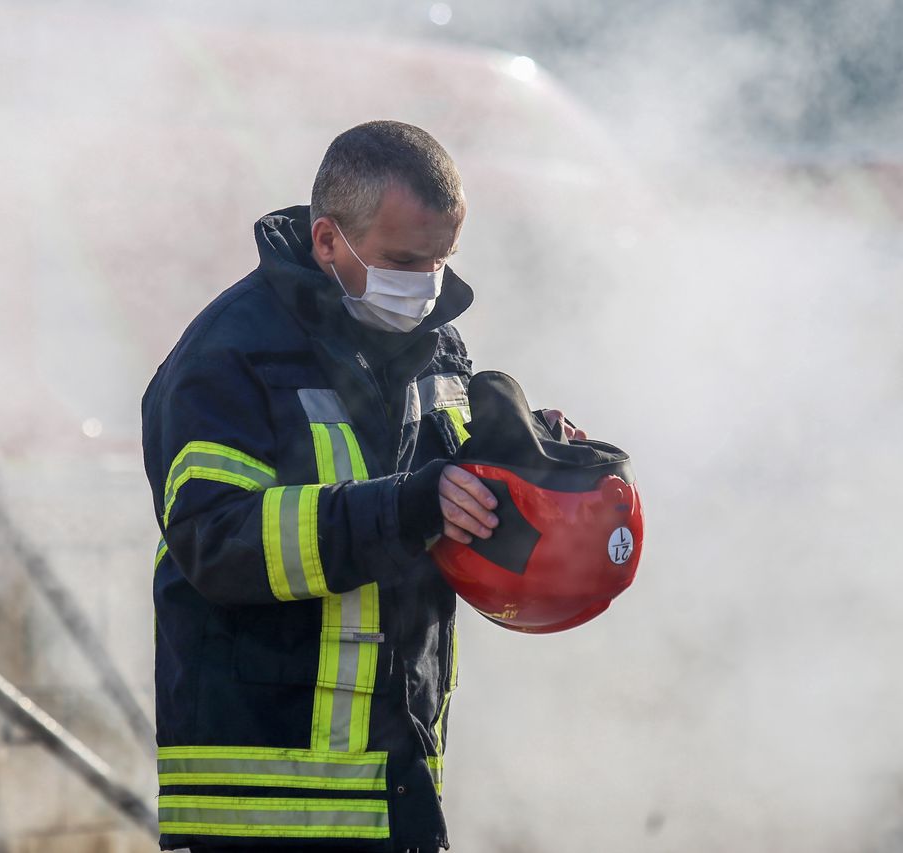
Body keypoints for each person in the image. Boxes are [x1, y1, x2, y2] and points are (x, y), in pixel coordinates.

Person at [141, 120, 582, 853]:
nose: (425, 286)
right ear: (326, 241)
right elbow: (215, 541)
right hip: (262, 810)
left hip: (398, 791)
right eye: (404, 260)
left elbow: (442, 487)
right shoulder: (225, 356)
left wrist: (522, 458)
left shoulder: (435, 344)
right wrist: (407, 506)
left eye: (441, 261)